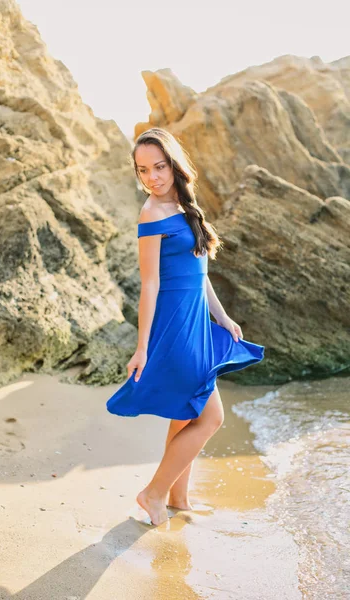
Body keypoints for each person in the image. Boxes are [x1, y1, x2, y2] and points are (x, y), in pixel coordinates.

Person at [106, 127, 264, 525]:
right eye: (144, 170)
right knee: (211, 417)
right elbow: (149, 283)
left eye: (159, 167)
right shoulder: (151, 213)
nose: (153, 178)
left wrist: (222, 316)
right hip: (174, 326)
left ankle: (178, 497)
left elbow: (200, 271)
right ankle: (153, 493)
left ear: (174, 165)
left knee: (186, 410)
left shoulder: (184, 207)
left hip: (196, 320)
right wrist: (142, 347)